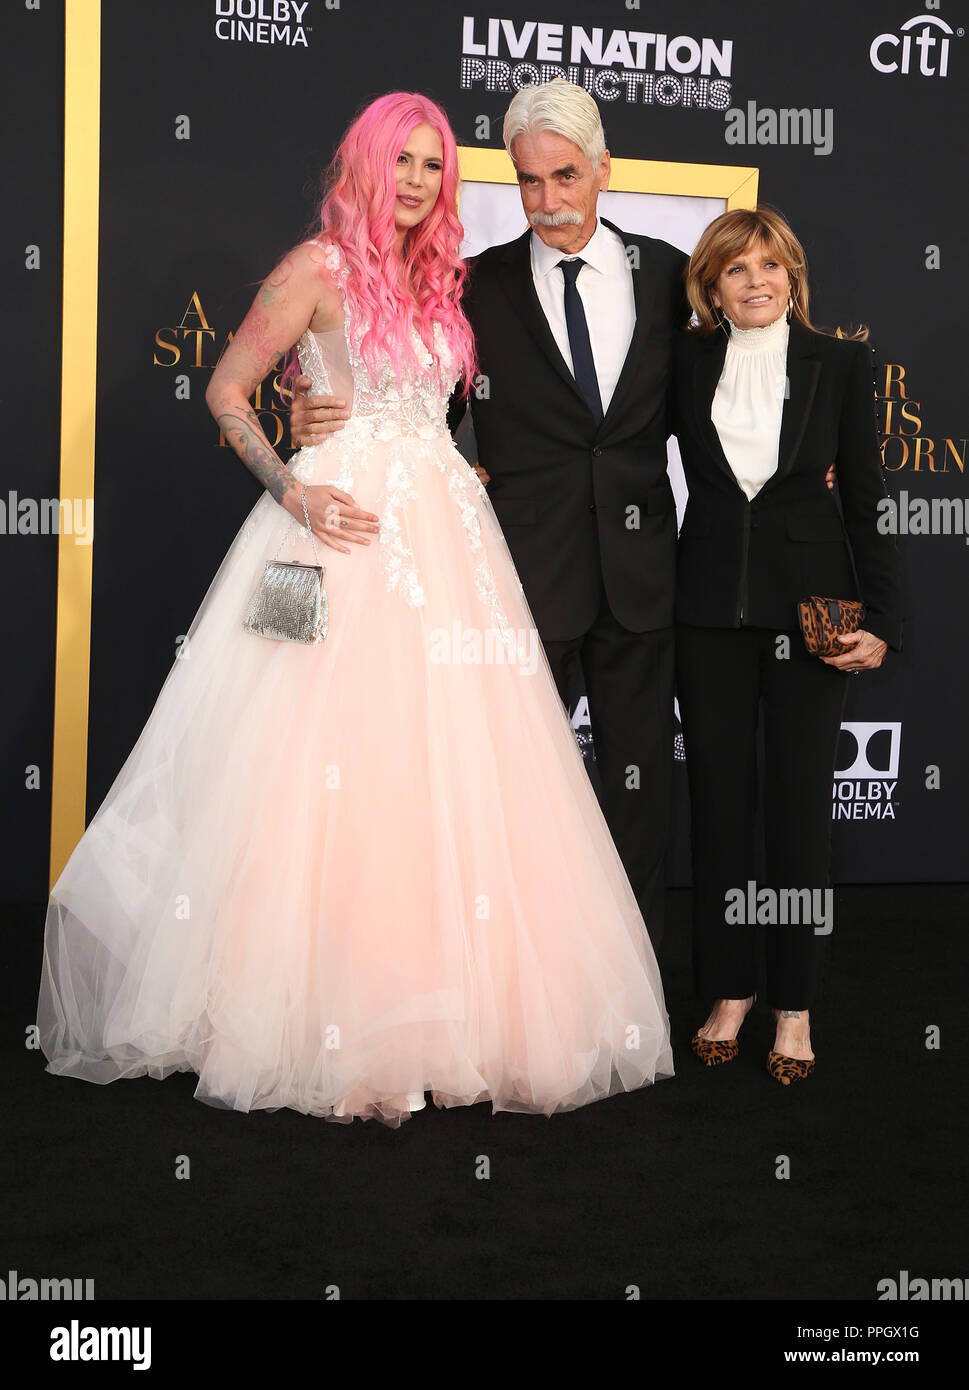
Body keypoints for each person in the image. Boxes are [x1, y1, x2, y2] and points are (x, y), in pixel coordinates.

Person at [36, 92, 673, 1126]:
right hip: (326, 536)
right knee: (293, 759)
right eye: (403, 161)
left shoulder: (444, 283)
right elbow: (226, 388)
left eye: (435, 166)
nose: (419, 181)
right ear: (366, 165)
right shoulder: (315, 268)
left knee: (438, 773)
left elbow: (457, 409)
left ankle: (437, 1012)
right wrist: (292, 480)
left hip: (449, 542)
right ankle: (294, 1010)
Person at [291, 79, 690, 947]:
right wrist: (314, 408)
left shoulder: (666, 274)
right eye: (528, 182)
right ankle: (518, 978)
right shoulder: (469, 286)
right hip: (512, 580)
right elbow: (410, 405)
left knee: (638, 793)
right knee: (511, 796)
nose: (548, 200)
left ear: (604, 171)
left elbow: (702, 414)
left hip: (641, 578)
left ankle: (630, 985)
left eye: (566, 176)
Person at [671, 206, 902, 1083]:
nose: (756, 280)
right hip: (708, 615)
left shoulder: (839, 362)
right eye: (736, 268)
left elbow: (867, 498)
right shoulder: (685, 361)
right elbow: (611, 448)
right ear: (712, 285)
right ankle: (728, 990)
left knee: (801, 814)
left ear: (792, 275)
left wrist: (880, 619)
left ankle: (794, 1005)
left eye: (770, 264)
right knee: (721, 811)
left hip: (815, 618)